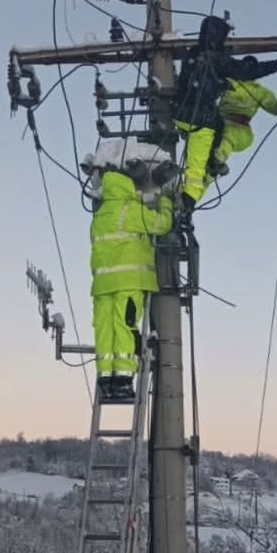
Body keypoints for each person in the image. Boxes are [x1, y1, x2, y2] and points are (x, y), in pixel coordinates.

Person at [173, 15, 277, 211]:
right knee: (196, 172)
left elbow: (271, 104)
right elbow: (247, 70)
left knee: (220, 128)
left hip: (180, 113)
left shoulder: (193, 53)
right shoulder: (218, 60)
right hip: (200, 121)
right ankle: (186, 208)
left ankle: (212, 161)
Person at [89, 157, 175, 402]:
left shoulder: (100, 215)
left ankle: (106, 380)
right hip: (128, 281)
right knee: (125, 327)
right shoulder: (129, 210)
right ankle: (124, 381)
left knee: (105, 332)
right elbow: (162, 224)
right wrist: (166, 200)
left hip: (101, 286)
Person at [210, 67, 277, 178]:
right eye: (246, 65)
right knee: (204, 147)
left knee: (229, 135)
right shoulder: (231, 82)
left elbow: (272, 105)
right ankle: (200, 181)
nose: (248, 68)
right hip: (218, 123)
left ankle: (217, 159)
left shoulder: (259, 91)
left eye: (251, 66)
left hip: (240, 129)